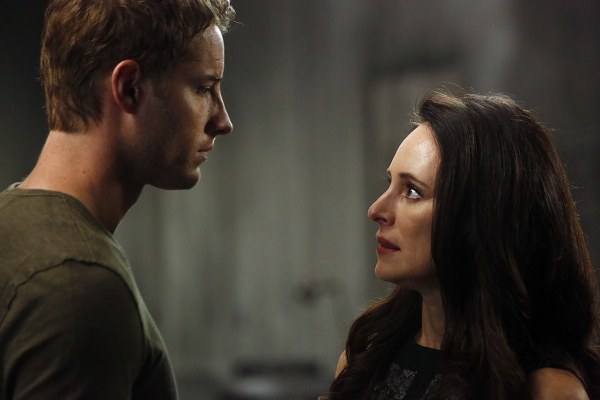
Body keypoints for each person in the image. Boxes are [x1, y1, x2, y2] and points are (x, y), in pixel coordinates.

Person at [0, 0, 234, 398]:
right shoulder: (77, 287)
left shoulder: (14, 231)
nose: (222, 121)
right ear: (129, 88)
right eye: (203, 88)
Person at [326, 91, 600, 399]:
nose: (376, 210)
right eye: (390, 184)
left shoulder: (547, 391)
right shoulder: (363, 364)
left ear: (479, 217)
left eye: (413, 191)